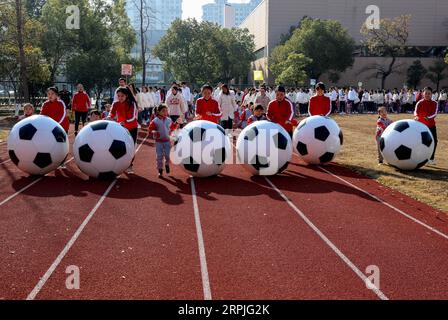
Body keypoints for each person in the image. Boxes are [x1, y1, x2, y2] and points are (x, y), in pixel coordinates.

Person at [107, 87, 138, 173]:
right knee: (118, 146)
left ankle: (130, 165)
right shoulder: (115, 103)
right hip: (120, 128)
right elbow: (111, 113)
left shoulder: (132, 104)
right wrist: (109, 117)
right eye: (118, 96)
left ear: (127, 95)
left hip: (132, 128)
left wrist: (124, 122)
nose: (120, 98)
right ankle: (119, 164)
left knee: (131, 147)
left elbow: (133, 117)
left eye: (122, 96)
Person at [147, 104, 181, 178]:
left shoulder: (169, 120)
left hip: (167, 141)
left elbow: (172, 127)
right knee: (159, 156)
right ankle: (160, 170)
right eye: (163, 111)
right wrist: (153, 132)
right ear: (158, 111)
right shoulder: (155, 121)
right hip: (159, 141)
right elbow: (150, 129)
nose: (165, 112)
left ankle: (167, 164)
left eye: (166, 111)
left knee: (168, 156)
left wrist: (177, 123)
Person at [414, 87, 438, 165]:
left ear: (431, 94)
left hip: (431, 126)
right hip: (420, 126)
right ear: (423, 94)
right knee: (418, 141)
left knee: (434, 141)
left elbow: (435, 114)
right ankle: (417, 157)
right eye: (426, 93)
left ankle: (431, 158)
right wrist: (416, 116)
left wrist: (428, 118)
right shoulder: (419, 102)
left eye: (429, 93)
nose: (427, 95)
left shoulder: (435, 103)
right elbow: (415, 112)